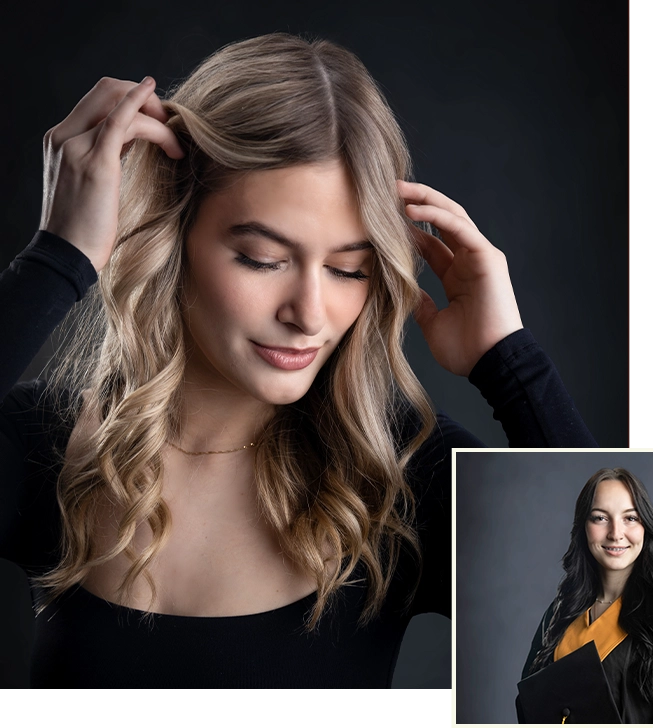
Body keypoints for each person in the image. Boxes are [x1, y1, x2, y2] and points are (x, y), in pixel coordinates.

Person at [1, 33, 596, 694]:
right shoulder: (47, 446)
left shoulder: (397, 471)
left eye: (350, 269)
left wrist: (510, 363)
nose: (310, 313)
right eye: (263, 258)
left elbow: (617, 647)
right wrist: (56, 259)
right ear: (175, 232)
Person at [520, 468, 653, 722]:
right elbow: (531, 706)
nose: (616, 533)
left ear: (646, 526)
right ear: (583, 527)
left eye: (630, 518)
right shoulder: (559, 615)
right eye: (600, 518)